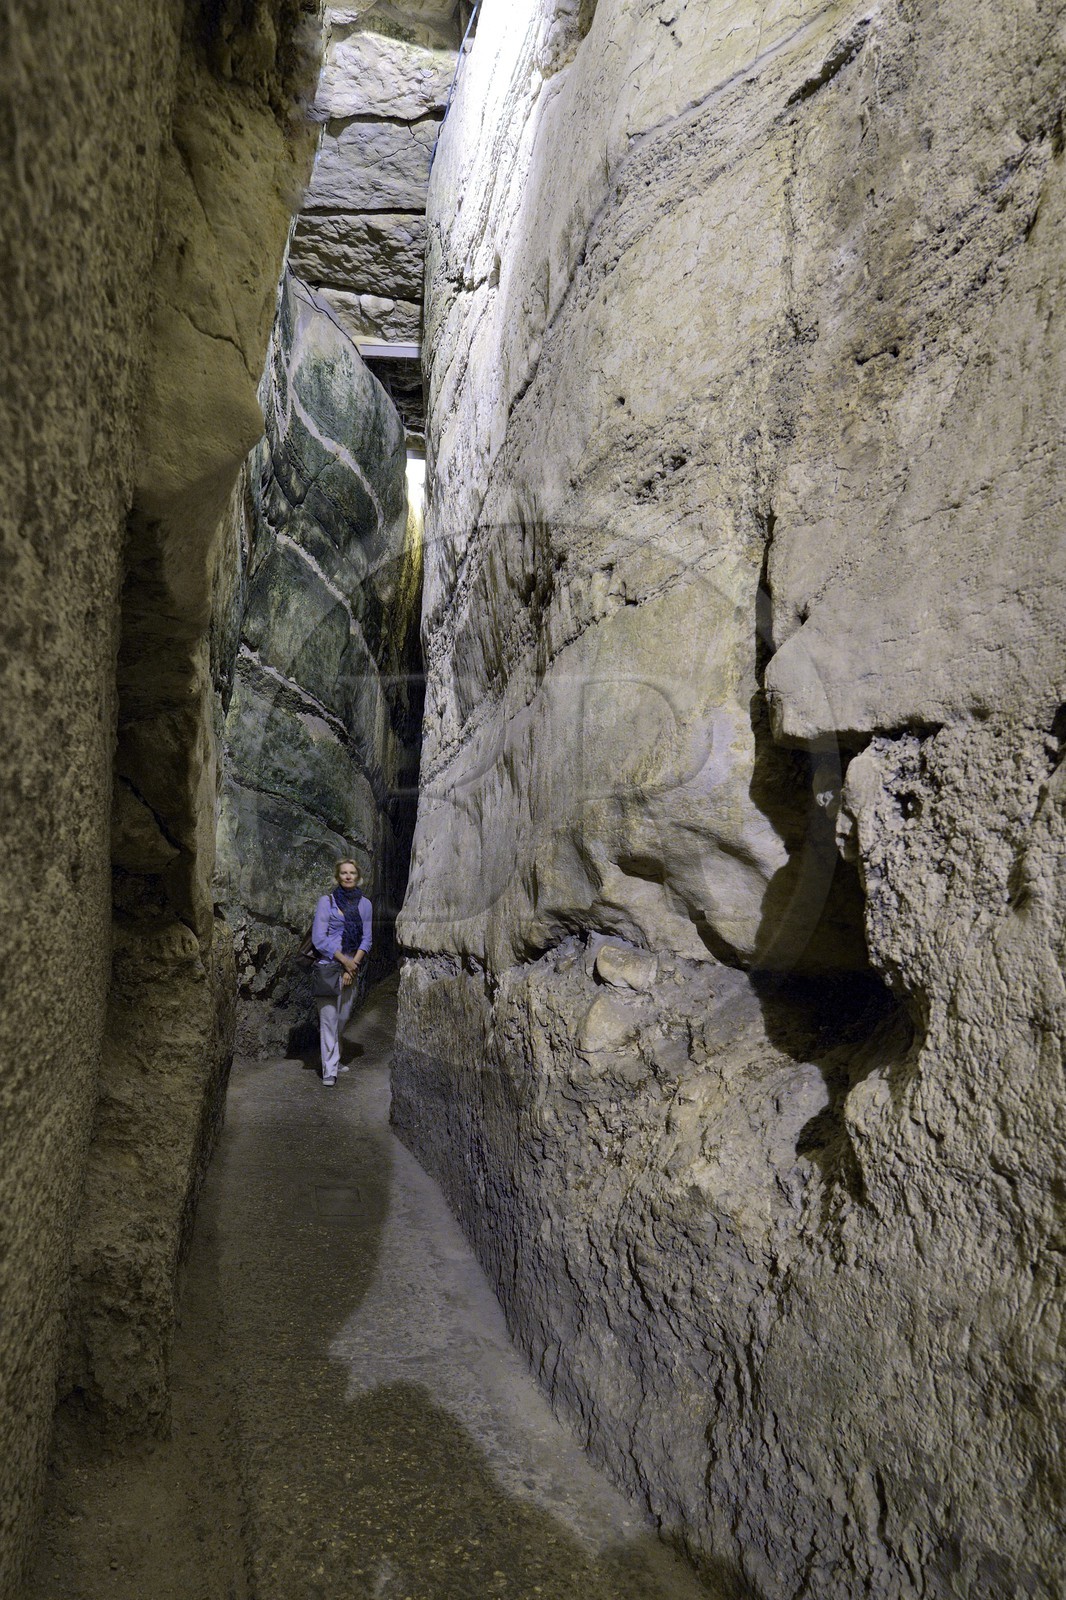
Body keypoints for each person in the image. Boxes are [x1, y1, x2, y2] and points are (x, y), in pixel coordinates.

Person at [311, 859, 372, 1086]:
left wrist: (352, 965)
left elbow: (366, 939)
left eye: (352, 873)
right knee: (328, 1020)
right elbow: (319, 938)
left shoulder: (365, 904)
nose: (348, 876)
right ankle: (329, 1069)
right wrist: (344, 961)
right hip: (329, 967)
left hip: (351, 969)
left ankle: (333, 1059)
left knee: (342, 1018)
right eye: (344, 873)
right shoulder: (326, 902)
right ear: (338, 877)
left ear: (358, 877)